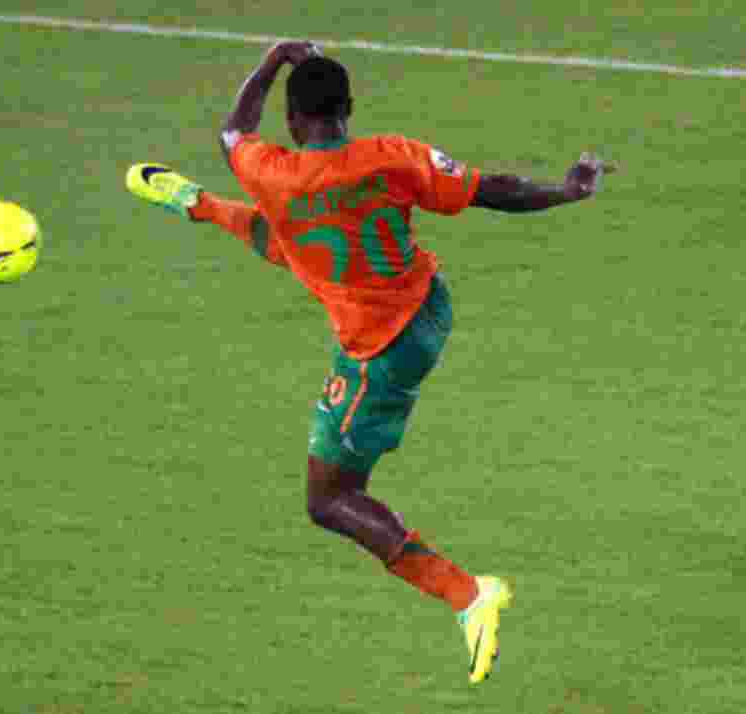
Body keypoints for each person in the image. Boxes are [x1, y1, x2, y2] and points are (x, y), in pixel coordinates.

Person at [126, 41, 610, 684]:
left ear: (293, 121)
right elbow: (490, 190)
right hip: (428, 306)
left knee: (329, 498)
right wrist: (566, 191)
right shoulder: (392, 157)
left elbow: (233, 129)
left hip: (379, 350)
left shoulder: (272, 170)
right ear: (348, 109)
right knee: (303, 241)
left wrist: (272, 60)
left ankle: (467, 595)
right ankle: (200, 205)